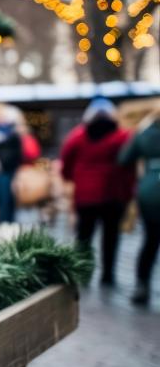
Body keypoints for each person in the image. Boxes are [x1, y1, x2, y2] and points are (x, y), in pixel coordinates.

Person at [60, 98, 134, 286]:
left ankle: (82, 271)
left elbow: (66, 162)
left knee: (84, 235)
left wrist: (69, 178)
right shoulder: (122, 137)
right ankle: (108, 274)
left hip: (86, 196)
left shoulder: (77, 136)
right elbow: (129, 164)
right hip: (113, 194)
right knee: (111, 236)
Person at [119, 109, 160, 305]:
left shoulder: (144, 133)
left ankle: (141, 285)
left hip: (150, 191)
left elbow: (124, 158)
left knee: (150, 240)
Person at [0, 107, 23, 225]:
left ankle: (9, 221)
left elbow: (19, 154)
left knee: (10, 197)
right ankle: (3, 221)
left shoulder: (13, 135)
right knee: (2, 197)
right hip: (0, 171)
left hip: (11, 170)